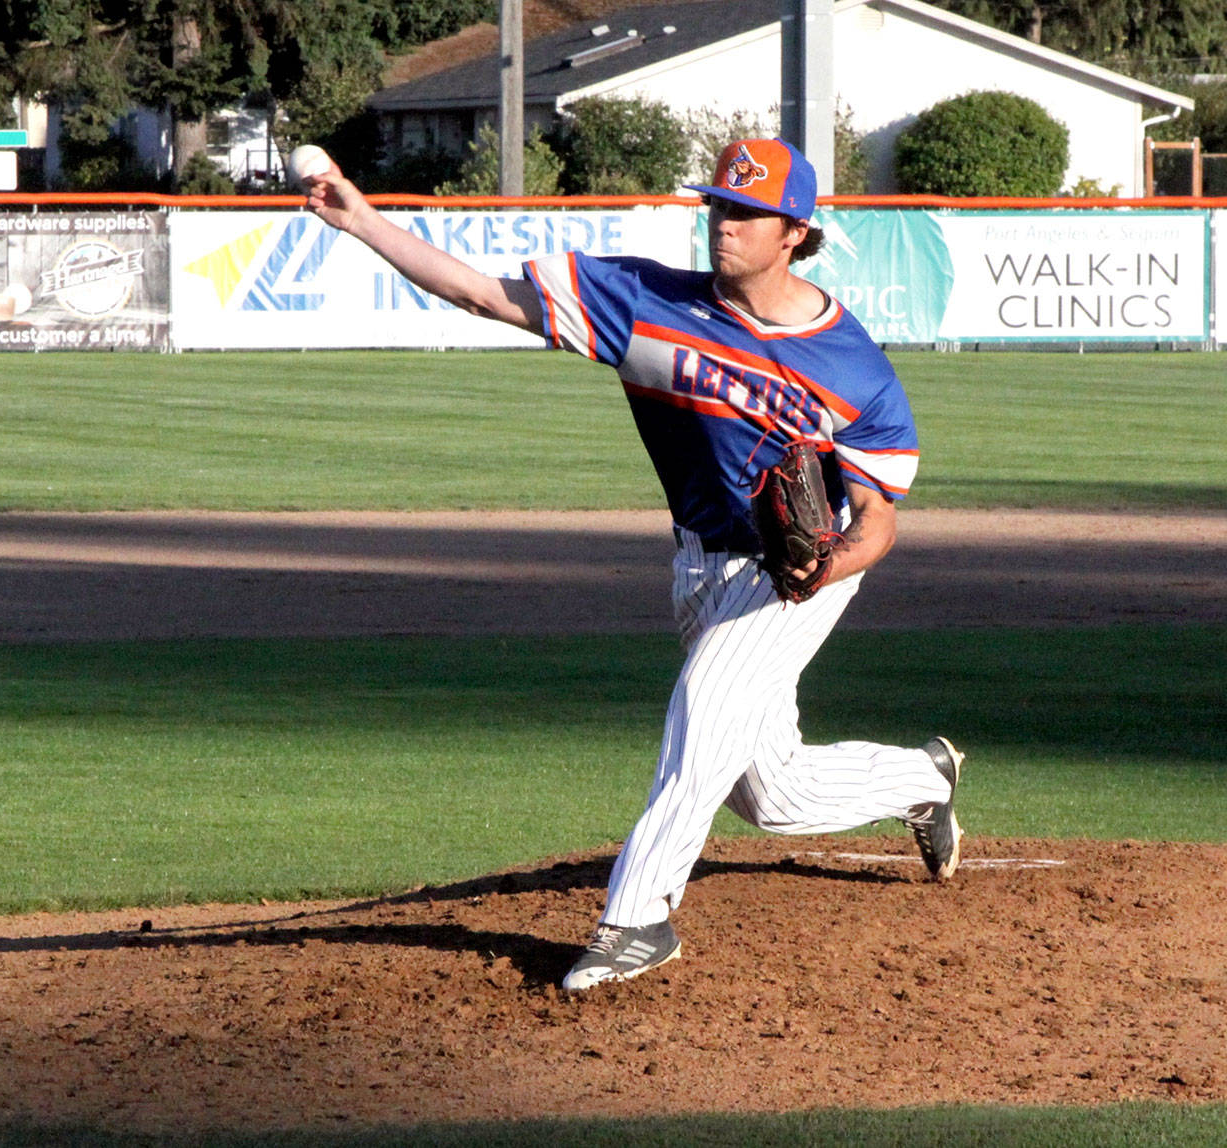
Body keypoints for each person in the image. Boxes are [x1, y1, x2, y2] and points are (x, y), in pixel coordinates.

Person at [302, 137, 963, 993]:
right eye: (718, 207)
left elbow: (877, 521)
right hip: (699, 569)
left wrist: (830, 567)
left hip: (793, 572)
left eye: (745, 213)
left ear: (794, 232)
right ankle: (925, 778)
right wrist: (362, 223)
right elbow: (479, 293)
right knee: (773, 796)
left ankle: (637, 919)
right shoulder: (646, 302)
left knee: (703, 712)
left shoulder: (853, 368)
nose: (723, 226)